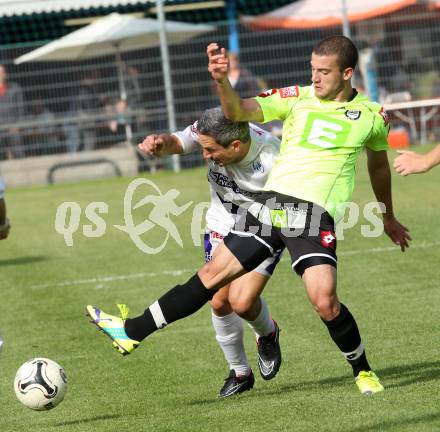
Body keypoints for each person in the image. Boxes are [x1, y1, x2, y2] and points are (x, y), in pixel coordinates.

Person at [86, 36, 411, 396]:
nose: (315, 78)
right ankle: (131, 332)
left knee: (324, 301)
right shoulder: (297, 98)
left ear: (347, 73)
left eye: (323, 72)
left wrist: (388, 217)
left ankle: (362, 371)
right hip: (271, 206)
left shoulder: (371, 116)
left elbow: (378, 167)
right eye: (312, 69)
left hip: (312, 214)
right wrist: (221, 80)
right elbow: (237, 111)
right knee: (213, 281)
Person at [119, 107, 284, 397]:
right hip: (222, 222)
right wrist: (161, 143)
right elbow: (180, 141)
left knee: (242, 303)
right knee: (219, 301)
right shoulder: (214, 127)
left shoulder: (271, 159)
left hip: (262, 224)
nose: (205, 155)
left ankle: (268, 333)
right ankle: (240, 372)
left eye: (210, 150)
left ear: (235, 145)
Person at [0, 64, 25, 159]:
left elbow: (21, 109)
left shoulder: (15, 89)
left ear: (5, 74)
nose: (0, 75)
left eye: (2, 72)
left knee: (18, 153)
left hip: (12, 128)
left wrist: (18, 125)